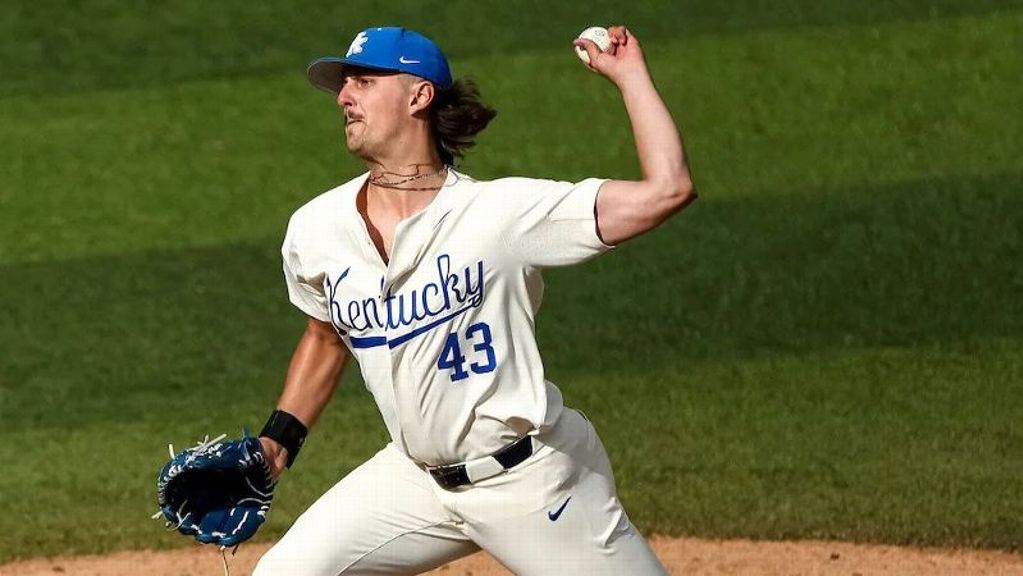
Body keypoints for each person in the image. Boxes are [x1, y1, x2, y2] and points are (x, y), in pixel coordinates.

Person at [252, 25, 695, 575]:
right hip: (414, 481)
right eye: (345, 85)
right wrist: (278, 442)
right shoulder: (316, 229)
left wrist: (630, 78)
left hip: (531, 480)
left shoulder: (499, 217)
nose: (344, 96)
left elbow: (668, 190)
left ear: (419, 95)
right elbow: (325, 334)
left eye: (363, 81)